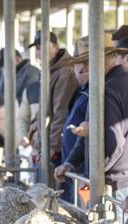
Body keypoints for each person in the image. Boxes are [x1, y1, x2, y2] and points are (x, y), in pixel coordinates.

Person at [52, 35, 128, 216]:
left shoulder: (107, 91)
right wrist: (71, 162)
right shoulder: (115, 84)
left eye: (85, 63)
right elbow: (93, 133)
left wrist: (94, 176)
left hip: (115, 186)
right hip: (120, 180)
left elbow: (113, 144)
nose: (82, 69)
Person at [29, 31, 79, 169]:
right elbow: (47, 107)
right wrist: (36, 121)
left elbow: (61, 111)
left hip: (59, 145)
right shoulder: (51, 70)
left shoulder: (64, 72)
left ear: (56, 47)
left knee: (58, 188)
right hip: (52, 141)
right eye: (38, 49)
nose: (40, 52)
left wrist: (52, 146)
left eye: (44, 47)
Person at [52, 37, 91, 203]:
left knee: (87, 214)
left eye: (81, 70)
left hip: (86, 172)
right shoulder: (84, 92)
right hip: (77, 167)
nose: (78, 74)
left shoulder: (94, 93)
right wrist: (68, 163)